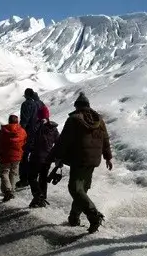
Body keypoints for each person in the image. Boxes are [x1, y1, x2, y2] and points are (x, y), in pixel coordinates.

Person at [48, 92, 113, 233]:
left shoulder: (74, 119)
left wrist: (56, 156)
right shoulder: (99, 120)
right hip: (94, 159)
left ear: (77, 106)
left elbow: (63, 141)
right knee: (82, 188)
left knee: (75, 189)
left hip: (79, 159)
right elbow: (105, 139)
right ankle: (74, 217)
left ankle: (94, 215)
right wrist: (108, 157)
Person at [0, 115, 28, 202]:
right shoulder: (22, 131)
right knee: (13, 173)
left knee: (4, 173)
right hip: (17, 157)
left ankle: (8, 190)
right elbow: (25, 142)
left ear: (9, 121)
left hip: (5, 156)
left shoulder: (3, 131)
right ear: (17, 121)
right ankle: (11, 191)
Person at [27, 104, 59, 208]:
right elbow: (58, 142)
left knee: (31, 177)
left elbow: (30, 141)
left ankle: (38, 195)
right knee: (43, 178)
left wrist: (29, 149)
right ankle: (42, 198)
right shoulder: (53, 128)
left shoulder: (36, 127)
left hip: (36, 157)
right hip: (48, 158)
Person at [16, 88, 44, 189]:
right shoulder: (40, 103)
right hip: (39, 132)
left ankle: (24, 179)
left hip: (28, 133)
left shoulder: (27, 104)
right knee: (35, 156)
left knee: (24, 156)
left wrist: (19, 132)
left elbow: (25, 120)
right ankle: (34, 177)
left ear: (27, 95)